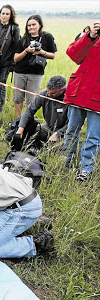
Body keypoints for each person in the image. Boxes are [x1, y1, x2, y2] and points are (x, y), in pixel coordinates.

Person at [62, 22, 100, 182]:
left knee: (93, 136)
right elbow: (73, 54)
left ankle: (86, 169)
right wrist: (90, 36)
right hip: (79, 93)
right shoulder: (90, 36)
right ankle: (66, 160)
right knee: (71, 130)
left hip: (97, 97)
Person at [13, 15, 57, 118]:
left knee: (32, 100)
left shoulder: (47, 37)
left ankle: (28, 120)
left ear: (40, 25)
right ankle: (17, 119)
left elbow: (53, 55)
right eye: (29, 25)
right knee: (18, 98)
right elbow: (15, 58)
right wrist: (26, 51)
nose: (31, 27)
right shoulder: (23, 39)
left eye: (34, 24)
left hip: (36, 73)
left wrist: (41, 52)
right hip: (20, 72)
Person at [12, 75, 68, 152]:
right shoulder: (44, 93)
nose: (48, 95)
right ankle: (30, 149)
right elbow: (29, 111)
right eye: (48, 91)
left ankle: (45, 151)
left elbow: (74, 123)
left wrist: (58, 134)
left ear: (62, 90)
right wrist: (21, 128)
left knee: (56, 149)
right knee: (29, 130)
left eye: (52, 93)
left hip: (66, 132)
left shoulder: (71, 99)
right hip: (48, 127)